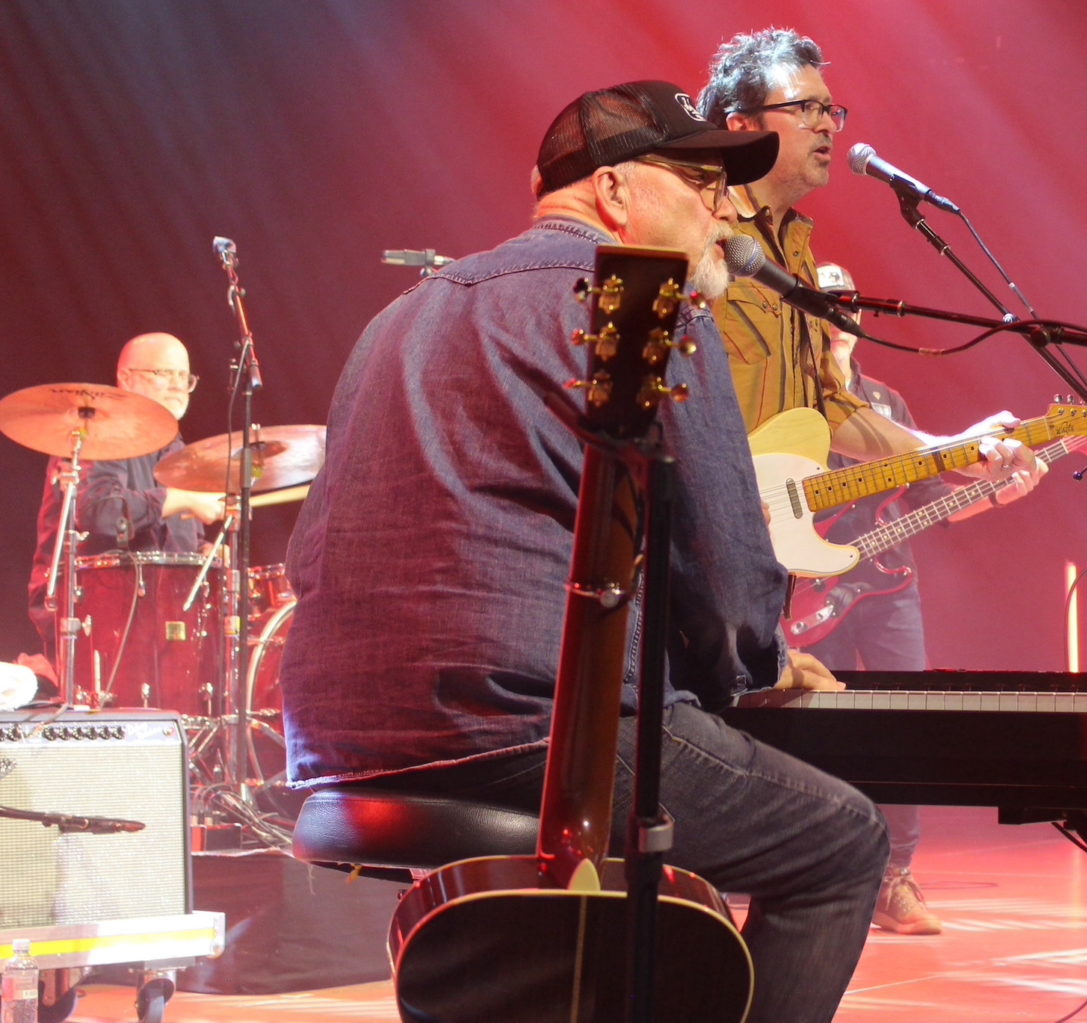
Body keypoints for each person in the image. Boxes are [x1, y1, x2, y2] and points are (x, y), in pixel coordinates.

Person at [276, 80, 889, 1023]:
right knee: (839, 841)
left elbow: (315, 546)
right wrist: (754, 666)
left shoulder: (396, 316)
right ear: (613, 192)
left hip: (339, 744)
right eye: (700, 183)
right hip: (524, 732)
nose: (724, 213)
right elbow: (728, 582)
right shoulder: (642, 300)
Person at [802, 262, 1034, 934]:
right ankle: (815, 870)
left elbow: (934, 499)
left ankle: (894, 876)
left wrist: (997, 491)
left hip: (889, 587)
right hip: (808, 590)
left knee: (905, 723)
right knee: (815, 729)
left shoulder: (888, 402)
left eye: (848, 304)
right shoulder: (790, 402)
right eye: (825, 304)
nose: (840, 317)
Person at [698, 28, 1041, 477]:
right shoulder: (699, 230)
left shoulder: (794, 249)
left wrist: (949, 451)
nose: (826, 125)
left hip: (759, 523)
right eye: (804, 108)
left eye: (828, 110)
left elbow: (827, 407)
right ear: (742, 126)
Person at [25, 332, 224, 688]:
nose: (179, 386)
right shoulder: (99, 431)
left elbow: (179, 544)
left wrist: (206, 554)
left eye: (185, 377)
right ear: (126, 378)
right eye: (166, 373)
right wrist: (178, 499)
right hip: (99, 612)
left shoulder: (175, 448)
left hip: (163, 615)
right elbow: (98, 512)